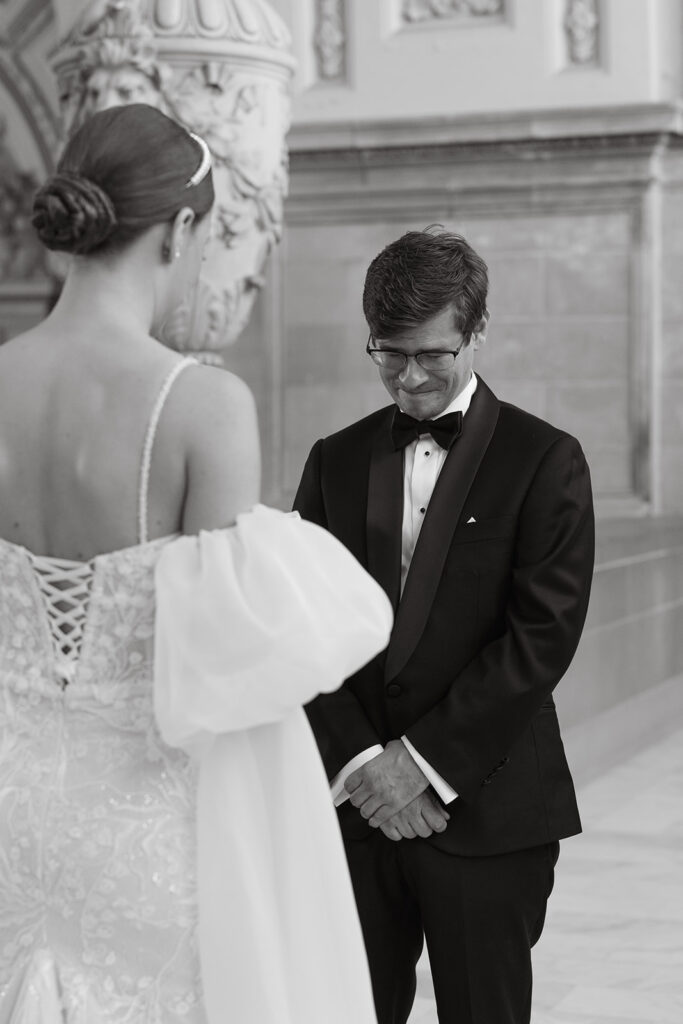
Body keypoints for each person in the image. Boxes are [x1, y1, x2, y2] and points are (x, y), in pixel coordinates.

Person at [0, 103, 391, 1024]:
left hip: (12, 807)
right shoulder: (201, 404)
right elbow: (231, 666)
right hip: (149, 830)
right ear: (179, 229)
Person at [294, 228, 595, 1024]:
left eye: (433, 353)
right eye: (389, 354)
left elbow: (542, 638)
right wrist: (363, 762)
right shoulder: (334, 459)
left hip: (489, 811)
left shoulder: (547, 458)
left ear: (476, 332)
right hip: (354, 813)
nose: (412, 377)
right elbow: (300, 625)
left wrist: (418, 765)